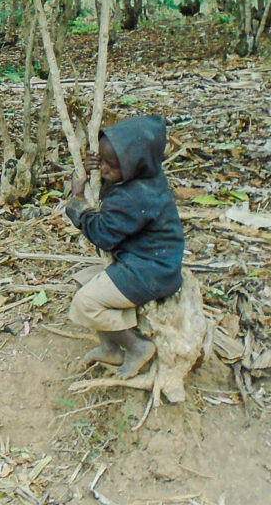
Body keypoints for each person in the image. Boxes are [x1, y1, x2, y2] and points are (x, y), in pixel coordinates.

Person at [64, 115, 183, 379]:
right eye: (102, 162)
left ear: (133, 166)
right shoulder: (146, 177)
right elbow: (116, 189)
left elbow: (104, 234)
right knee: (82, 283)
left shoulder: (135, 196)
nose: (103, 169)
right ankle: (110, 347)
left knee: (86, 303)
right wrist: (94, 170)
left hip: (151, 271)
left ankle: (137, 347)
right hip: (144, 261)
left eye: (110, 166)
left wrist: (78, 205)